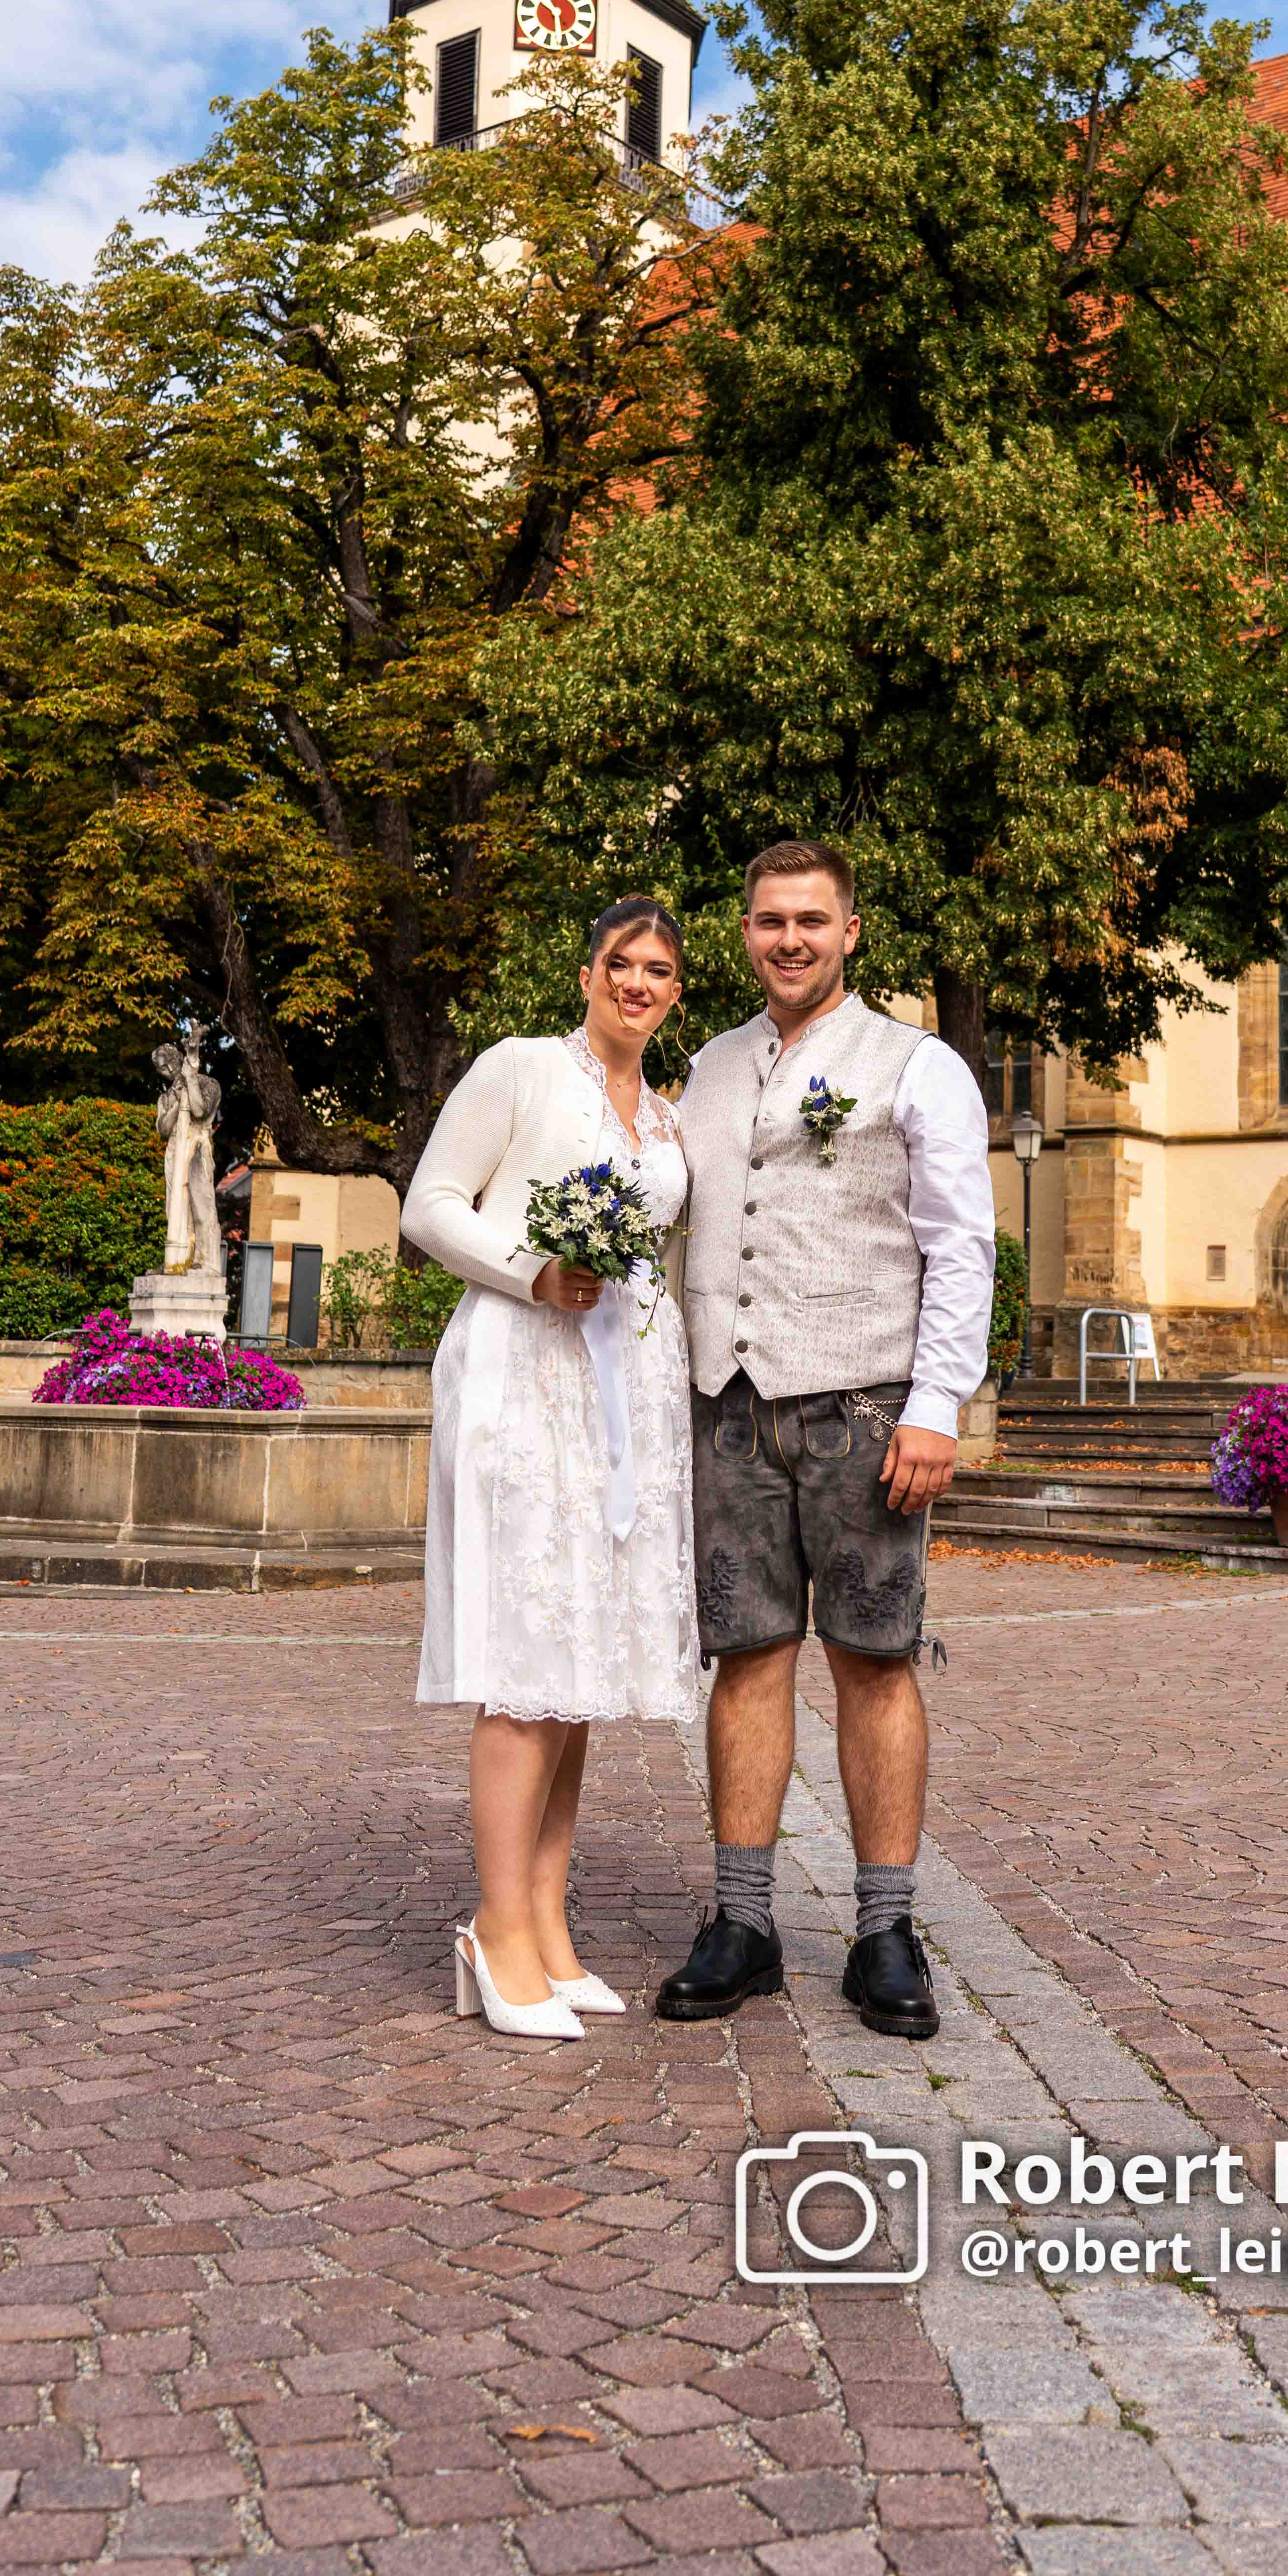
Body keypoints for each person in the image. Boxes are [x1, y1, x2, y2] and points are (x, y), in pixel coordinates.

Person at [657, 839, 995, 2043]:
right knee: (744, 1657)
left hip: (863, 1407)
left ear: (851, 931)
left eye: (810, 920)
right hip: (727, 1404)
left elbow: (960, 1243)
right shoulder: (701, 1068)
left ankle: (884, 1932)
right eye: (766, 921)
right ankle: (742, 1923)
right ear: (742, 934)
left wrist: (936, 1405)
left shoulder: (918, 1064)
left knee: (873, 1657)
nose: (787, 939)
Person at [402, 900, 699, 2041]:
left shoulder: (669, 1122)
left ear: (676, 992)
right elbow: (430, 1206)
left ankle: (547, 1924)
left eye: (658, 970)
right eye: (620, 963)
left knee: (580, 1669)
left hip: (625, 1395)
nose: (637, 982)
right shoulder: (522, 1070)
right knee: (527, 1661)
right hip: (525, 1375)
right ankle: (492, 1926)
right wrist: (530, 1273)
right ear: (586, 974)